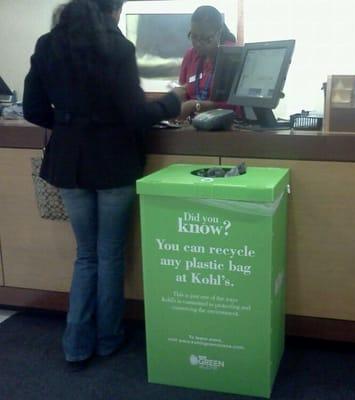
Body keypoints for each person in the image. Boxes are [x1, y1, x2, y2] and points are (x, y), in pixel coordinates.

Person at [23, 0, 181, 370]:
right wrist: (174, 103)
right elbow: (135, 115)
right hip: (113, 161)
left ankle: (76, 344)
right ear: (111, 10)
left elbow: (32, 108)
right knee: (109, 255)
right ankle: (108, 339)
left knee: (86, 255)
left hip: (70, 163)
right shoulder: (117, 47)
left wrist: (68, 123)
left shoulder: (48, 43)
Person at [176, 5, 237, 120]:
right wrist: (179, 96)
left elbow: (235, 105)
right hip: (193, 124)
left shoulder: (232, 55)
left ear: (219, 34)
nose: (198, 43)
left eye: (206, 39)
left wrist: (195, 106)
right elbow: (184, 90)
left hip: (226, 128)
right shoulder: (190, 55)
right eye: (194, 37)